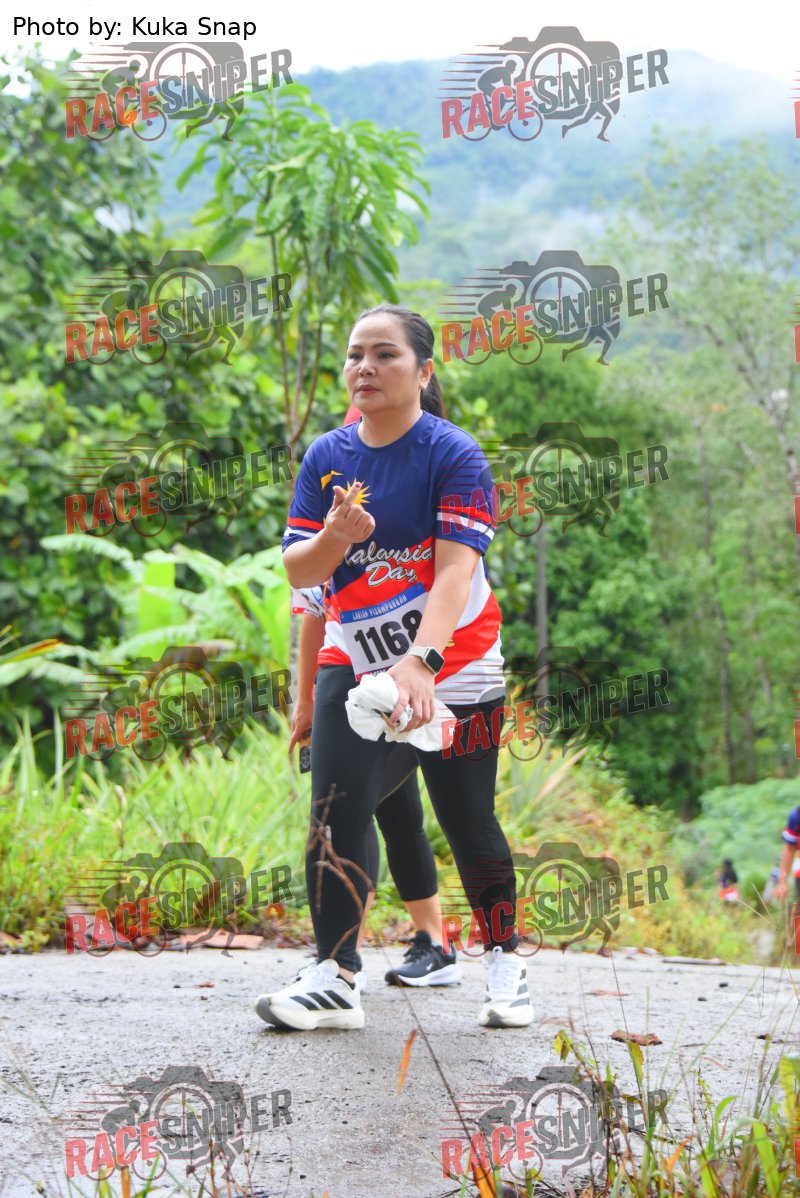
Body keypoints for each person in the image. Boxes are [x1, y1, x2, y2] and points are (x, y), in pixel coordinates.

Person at [256, 304, 530, 1031]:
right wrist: (335, 538)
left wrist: (422, 661)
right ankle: (335, 975)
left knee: (467, 819)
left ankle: (505, 961)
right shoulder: (326, 458)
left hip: (457, 664)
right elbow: (301, 575)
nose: (365, 367)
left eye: (385, 354)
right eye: (355, 355)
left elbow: (453, 573)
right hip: (356, 659)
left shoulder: (454, 456)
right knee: (335, 805)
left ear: (423, 370)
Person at [287, 467, 461, 988]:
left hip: (424, 684)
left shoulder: (425, 505)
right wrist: (305, 701)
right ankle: (428, 943)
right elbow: (314, 614)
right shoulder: (327, 529)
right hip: (352, 688)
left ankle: (342, 958)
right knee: (389, 806)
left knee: (354, 804)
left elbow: (458, 586)